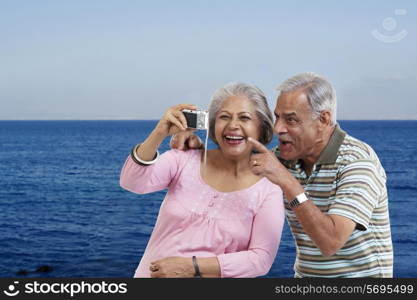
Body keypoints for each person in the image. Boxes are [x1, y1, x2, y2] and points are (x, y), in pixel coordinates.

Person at [172, 72, 393, 277]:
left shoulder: (358, 163)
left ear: (324, 120)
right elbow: (231, 166)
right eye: (277, 117)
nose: (278, 129)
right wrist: (198, 153)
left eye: (291, 120)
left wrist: (286, 180)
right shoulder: (280, 158)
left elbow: (330, 243)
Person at [120, 82, 285, 278]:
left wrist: (192, 266)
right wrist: (160, 132)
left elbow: (260, 260)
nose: (233, 125)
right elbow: (132, 182)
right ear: (213, 125)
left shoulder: (268, 190)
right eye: (224, 117)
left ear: (261, 127)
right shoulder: (185, 158)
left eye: (244, 117)